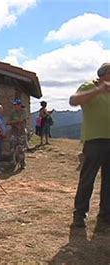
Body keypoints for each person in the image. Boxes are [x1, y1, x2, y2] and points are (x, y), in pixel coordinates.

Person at [69, 63, 110, 227]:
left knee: (109, 181)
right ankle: (80, 214)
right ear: (104, 74)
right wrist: (98, 90)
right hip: (94, 140)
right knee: (88, 178)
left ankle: (106, 215)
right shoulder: (89, 85)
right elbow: (73, 101)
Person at [7, 98, 27, 170]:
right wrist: (16, 122)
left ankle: (22, 164)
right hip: (14, 132)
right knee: (12, 149)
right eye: (14, 105)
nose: (15, 106)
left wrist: (13, 122)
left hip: (21, 133)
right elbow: (8, 122)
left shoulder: (24, 112)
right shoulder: (13, 113)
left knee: (21, 149)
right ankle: (13, 163)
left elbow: (21, 120)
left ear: (19, 105)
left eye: (16, 104)